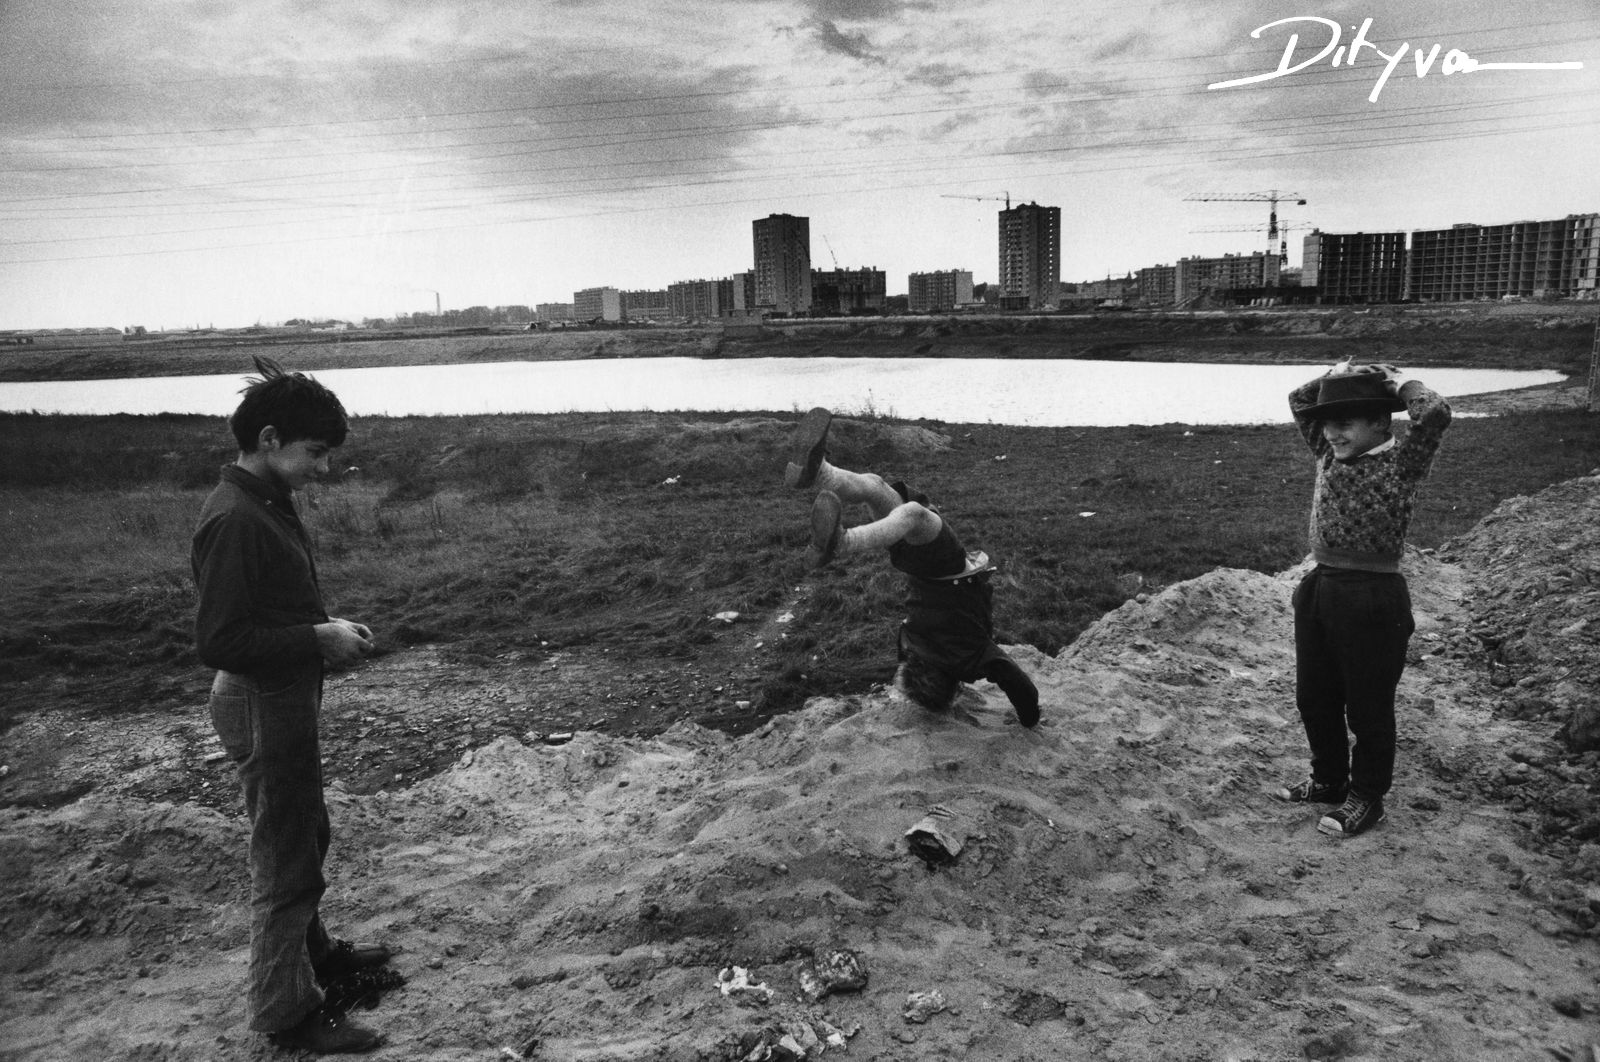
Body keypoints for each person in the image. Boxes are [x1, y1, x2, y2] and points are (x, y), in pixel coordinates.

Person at [192, 356, 392, 1053]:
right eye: (315, 453)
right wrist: (316, 637)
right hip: (259, 700)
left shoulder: (265, 500)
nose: (324, 469)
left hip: (280, 696)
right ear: (270, 439)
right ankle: (287, 1016)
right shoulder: (235, 519)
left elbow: (265, 607)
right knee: (285, 861)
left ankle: (319, 957)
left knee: (304, 835)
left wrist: (322, 625)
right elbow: (220, 640)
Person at [1276, 362, 1452, 838]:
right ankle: (1329, 780)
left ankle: (1368, 797)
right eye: (1328, 423)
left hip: (1373, 596)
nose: (1331, 433)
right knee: (1315, 697)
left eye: (1345, 422)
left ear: (1379, 421)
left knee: (1368, 707)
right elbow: (1300, 400)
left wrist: (1399, 384)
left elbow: (1434, 412)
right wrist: (1339, 374)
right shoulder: (1328, 453)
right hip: (1320, 587)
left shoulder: (1404, 463)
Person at [786, 407, 1040, 728]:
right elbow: (907, 663)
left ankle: (842, 541)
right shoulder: (912, 646)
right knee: (879, 489)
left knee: (913, 512)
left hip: (944, 565)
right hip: (912, 564)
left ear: (954, 685)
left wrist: (1030, 718)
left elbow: (1020, 686)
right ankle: (820, 472)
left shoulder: (974, 657)